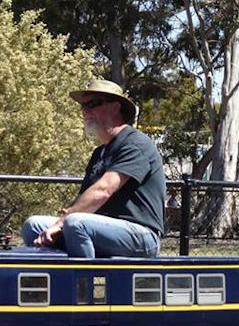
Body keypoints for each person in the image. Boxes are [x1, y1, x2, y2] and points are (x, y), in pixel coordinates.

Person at [21, 79, 165, 258]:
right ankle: (55, 283)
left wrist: (61, 223)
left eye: (93, 104)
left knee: (75, 222)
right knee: (33, 225)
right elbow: (85, 199)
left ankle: (80, 285)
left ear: (115, 107)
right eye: (83, 105)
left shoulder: (135, 143)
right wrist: (60, 220)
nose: (84, 110)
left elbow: (104, 190)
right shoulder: (100, 152)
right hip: (101, 228)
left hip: (142, 235)